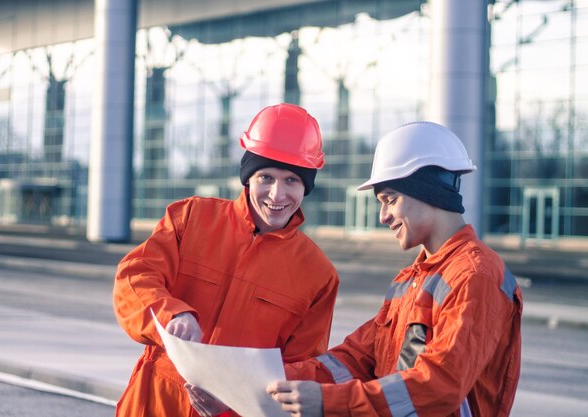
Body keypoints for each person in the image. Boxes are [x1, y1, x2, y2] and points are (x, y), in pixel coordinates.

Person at [267, 121, 523, 417]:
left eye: (390, 200)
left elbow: (440, 387)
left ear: (429, 192)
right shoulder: (411, 280)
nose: (382, 216)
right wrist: (274, 381)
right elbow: (354, 360)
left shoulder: (475, 275)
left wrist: (329, 402)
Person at [113, 103, 340, 417]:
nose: (277, 195)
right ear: (248, 177)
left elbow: (300, 370)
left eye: (292, 180)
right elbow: (134, 279)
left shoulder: (318, 275)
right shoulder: (190, 218)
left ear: (306, 186)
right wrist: (172, 316)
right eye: (266, 177)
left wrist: (235, 400)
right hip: (154, 404)